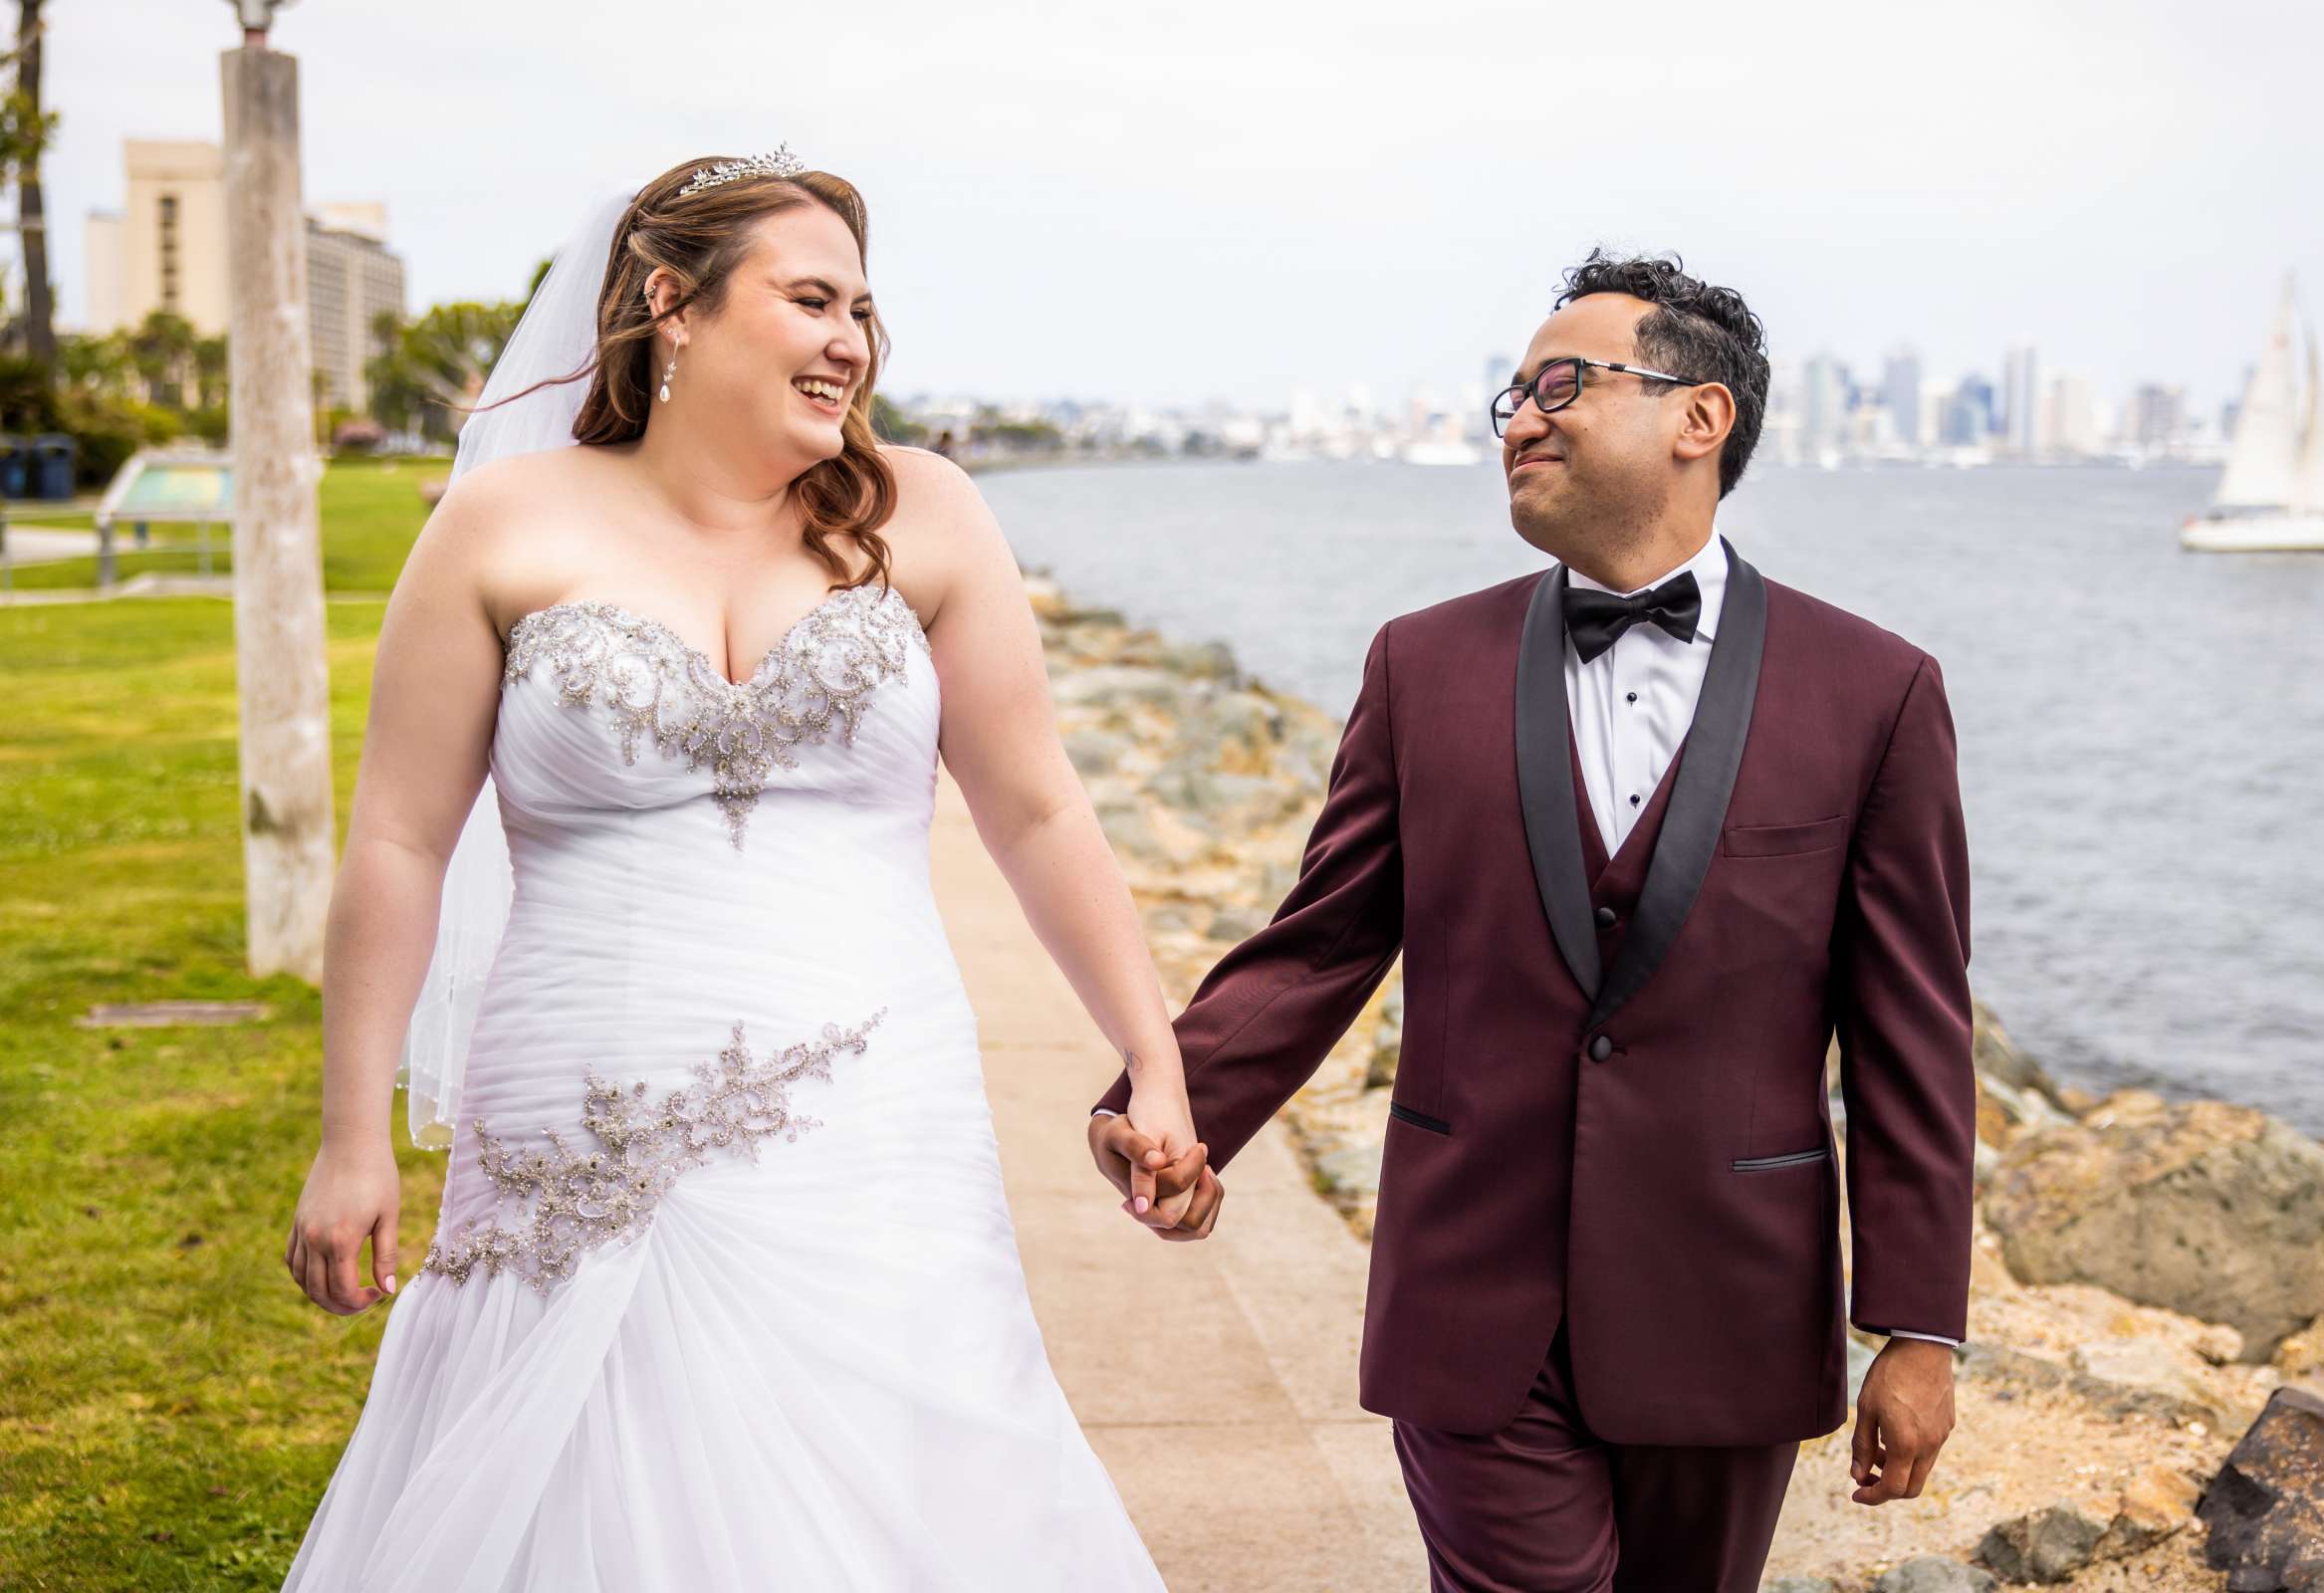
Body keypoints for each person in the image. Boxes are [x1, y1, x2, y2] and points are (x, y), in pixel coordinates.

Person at [280, 149, 1198, 1589]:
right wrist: (351, 1135)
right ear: (673, 304)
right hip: (572, 1096)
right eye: (814, 299)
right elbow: (400, 841)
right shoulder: (501, 524)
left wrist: (1153, 1054)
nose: (852, 342)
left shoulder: (929, 511)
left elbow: (1036, 811)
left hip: (878, 1107)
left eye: (865, 312)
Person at [1088, 250, 1975, 1592]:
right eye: (1508, 394)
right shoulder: (1420, 665)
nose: (1519, 418)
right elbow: (1324, 939)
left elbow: (1912, 1030)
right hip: (1473, 1293)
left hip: (1725, 1300)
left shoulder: (1876, 692)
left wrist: (1917, 1328)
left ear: (1699, 418)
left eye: (1562, 384)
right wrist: (1172, 1101)